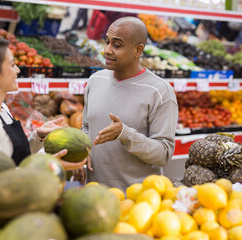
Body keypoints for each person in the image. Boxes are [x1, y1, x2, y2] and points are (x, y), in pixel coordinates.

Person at [74, 17, 178, 191]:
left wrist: (125, 134)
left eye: (117, 45)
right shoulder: (95, 80)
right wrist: (80, 150)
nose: (107, 50)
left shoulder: (160, 91)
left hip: (138, 202)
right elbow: (86, 127)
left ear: (138, 50)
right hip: (94, 195)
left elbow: (164, 154)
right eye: (107, 42)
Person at [0, 37, 86, 170]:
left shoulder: (2, 108)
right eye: (12, 65)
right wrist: (47, 166)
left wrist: (37, 137)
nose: (18, 70)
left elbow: (15, 157)